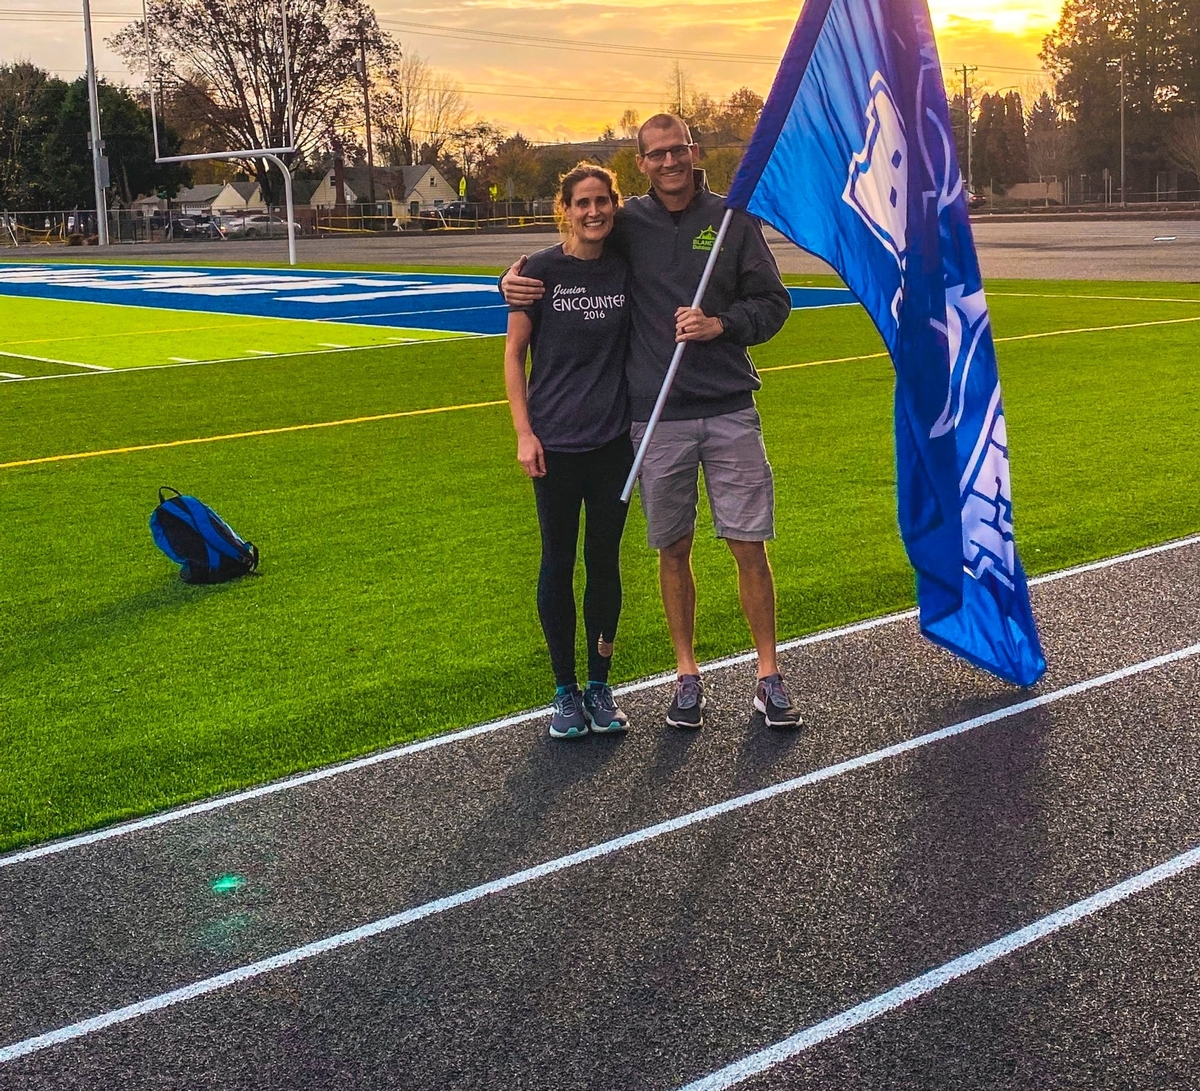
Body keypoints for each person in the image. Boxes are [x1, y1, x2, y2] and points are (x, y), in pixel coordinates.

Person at [502, 114, 802, 730]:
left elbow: (775, 304)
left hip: (728, 408)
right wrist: (506, 282)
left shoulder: (731, 220)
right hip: (656, 417)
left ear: (694, 152)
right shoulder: (626, 222)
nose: (668, 162)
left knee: (748, 544)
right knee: (674, 548)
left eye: (677, 150)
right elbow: (565, 258)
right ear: (640, 163)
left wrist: (722, 324)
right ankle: (686, 676)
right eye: (655, 153)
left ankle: (768, 675)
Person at [503, 163, 634, 740]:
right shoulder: (538, 272)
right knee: (557, 562)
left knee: (603, 564)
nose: (593, 212)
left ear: (614, 205)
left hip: (613, 446)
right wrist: (524, 434)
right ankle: (564, 692)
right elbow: (513, 357)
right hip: (553, 448)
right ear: (565, 208)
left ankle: (600, 685)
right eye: (582, 203)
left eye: (602, 201)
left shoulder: (628, 266)